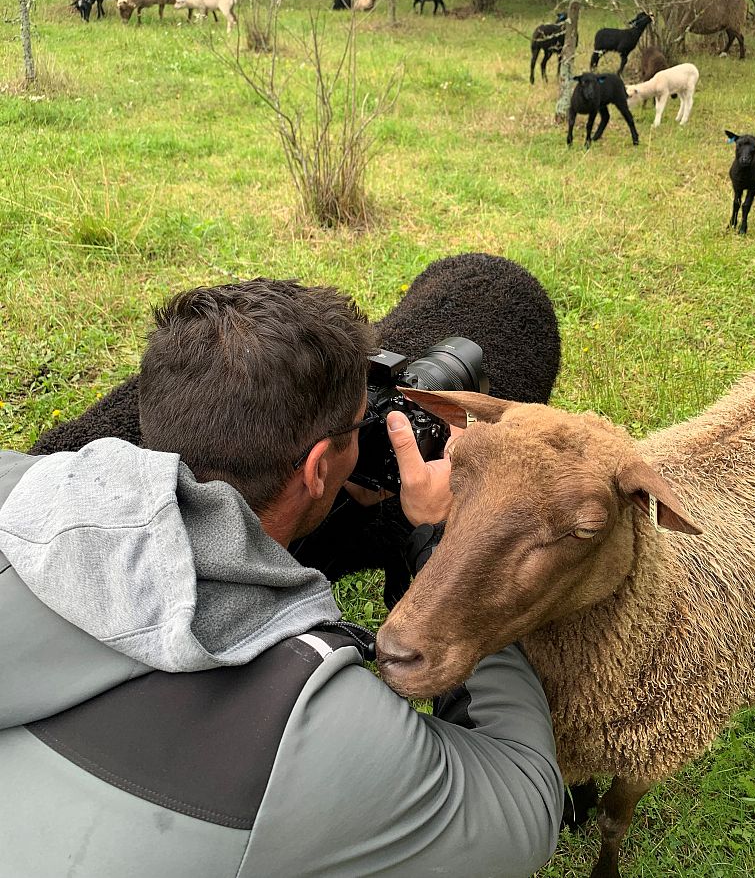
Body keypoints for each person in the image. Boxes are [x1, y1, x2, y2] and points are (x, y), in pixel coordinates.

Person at [0, 277, 564, 878]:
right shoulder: (315, 721)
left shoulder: (17, 486)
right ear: (318, 467)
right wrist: (449, 542)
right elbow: (526, 804)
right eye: (357, 429)